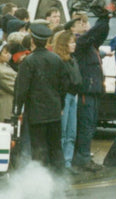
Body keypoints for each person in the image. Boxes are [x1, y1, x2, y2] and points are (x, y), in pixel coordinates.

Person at [13, 23, 70, 172]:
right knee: (56, 148)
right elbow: (64, 86)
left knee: (39, 150)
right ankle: (59, 179)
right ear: (47, 41)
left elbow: (21, 89)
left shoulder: (29, 61)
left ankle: (42, 183)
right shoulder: (56, 59)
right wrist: (61, 105)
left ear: (32, 40)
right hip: (54, 111)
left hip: (36, 113)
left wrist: (17, 109)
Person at [72, 11, 109, 172]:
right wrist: (103, 18)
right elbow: (94, 33)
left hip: (93, 91)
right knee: (85, 126)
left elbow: (100, 33)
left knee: (90, 125)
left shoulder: (89, 43)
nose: (85, 25)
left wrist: (105, 18)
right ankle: (82, 158)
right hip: (86, 91)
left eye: (86, 22)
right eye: (81, 22)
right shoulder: (79, 42)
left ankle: (84, 156)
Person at [53, 30, 83, 170]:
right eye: (71, 42)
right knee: (63, 132)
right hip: (64, 97)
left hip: (73, 96)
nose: (74, 45)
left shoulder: (73, 59)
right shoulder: (59, 61)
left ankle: (68, 162)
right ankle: (60, 162)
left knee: (72, 131)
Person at [0, 42, 17, 122]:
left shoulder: (5, 65)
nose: (8, 55)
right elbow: (15, 88)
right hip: (5, 107)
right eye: (5, 53)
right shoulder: (0, 70)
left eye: (9, 52)